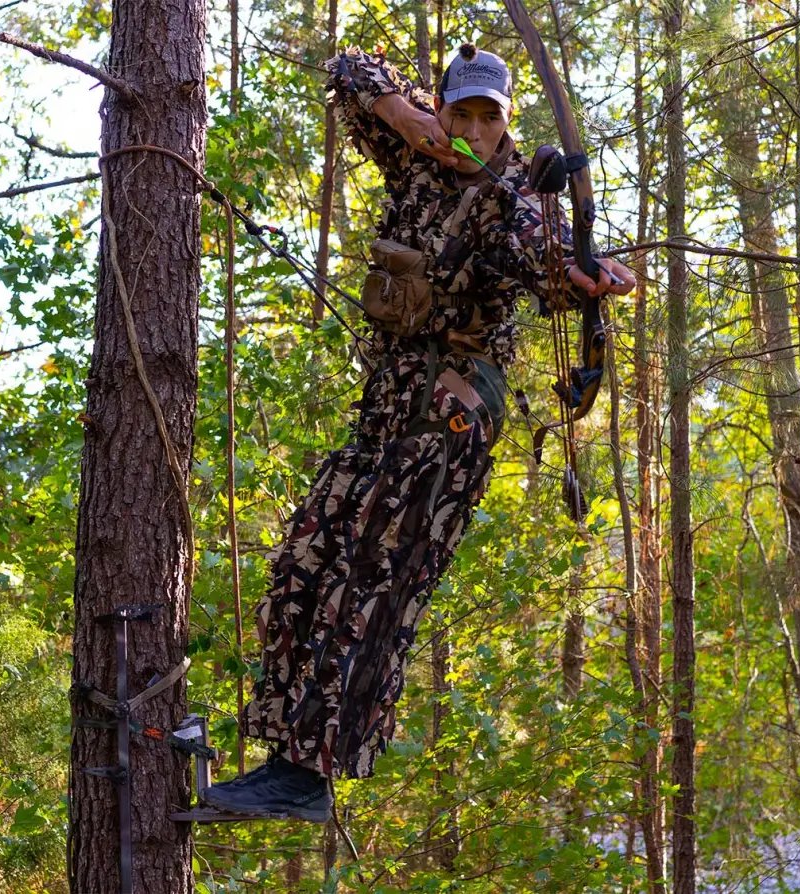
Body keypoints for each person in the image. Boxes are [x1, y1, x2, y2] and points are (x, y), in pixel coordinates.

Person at [201, 43, 636, 822]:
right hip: (387, 404)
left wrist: (583, 277)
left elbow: (547, 267)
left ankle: (309, 775)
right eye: (458, 111)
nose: (471, 128)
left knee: (368, 589)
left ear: (510, 130)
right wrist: (401, 115)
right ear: (441, 109)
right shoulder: (420, 163)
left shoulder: (517, 204)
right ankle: (280, 756)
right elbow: (349, 66)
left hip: (449, 414)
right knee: (304, 561)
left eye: (487, 118)